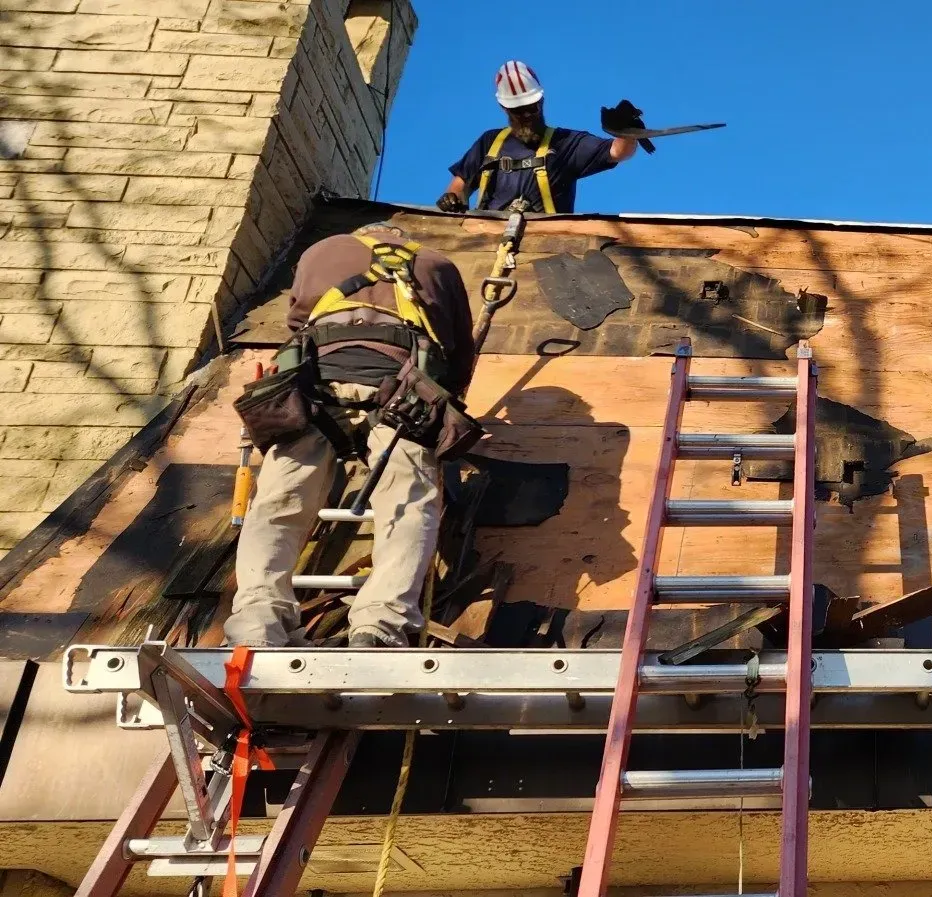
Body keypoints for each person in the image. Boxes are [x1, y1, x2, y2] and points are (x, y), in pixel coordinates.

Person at [226, 224, 477, 648]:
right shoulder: (438, 264)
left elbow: (296, 319)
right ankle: (380, 626)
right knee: (407, 504)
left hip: (315, 387)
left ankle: (257, 620)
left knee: (280, 502)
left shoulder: (324, 247)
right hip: (401, 390)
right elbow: (457, 354)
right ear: (404, 238)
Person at [437, 60, 640, 214]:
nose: (526, 115)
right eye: (518, 110)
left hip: (545, 251)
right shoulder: (490, 142)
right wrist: (452, 198)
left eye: (531, 108)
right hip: (486, 243)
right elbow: (459, 184)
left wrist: (625, 132)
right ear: (504, 108)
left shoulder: (566, 143)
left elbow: (617, 152)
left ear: (541, 101)